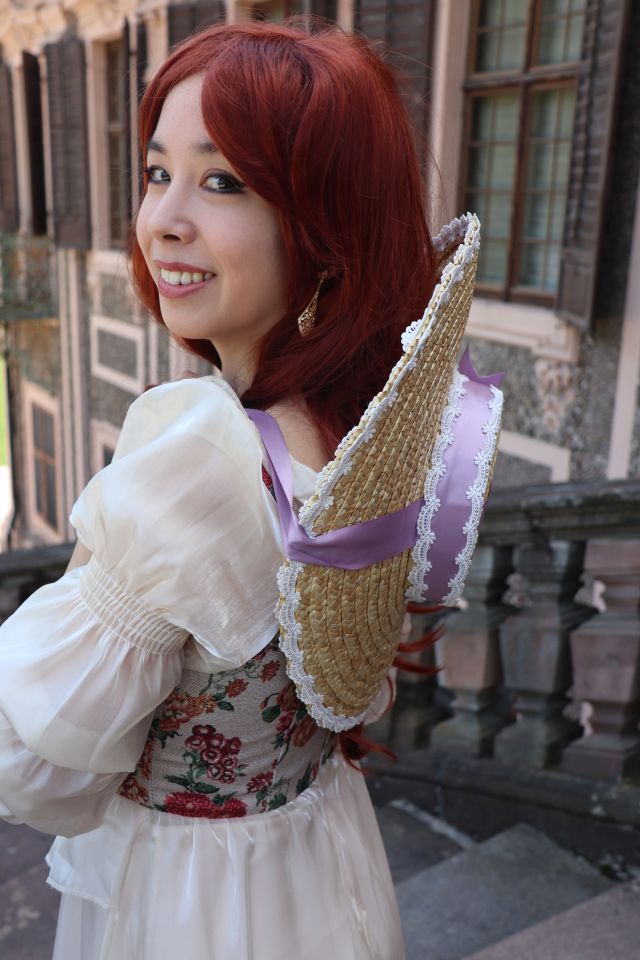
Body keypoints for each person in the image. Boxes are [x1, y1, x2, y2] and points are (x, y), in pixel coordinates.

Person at [0, 17, 503, 960]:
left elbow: (37, 768)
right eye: (157, 172)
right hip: (314, 852)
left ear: (322, 228)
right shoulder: (363, 421)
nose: (164, 220)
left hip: (193, 899)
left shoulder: (197, 458)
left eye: (223, 181)